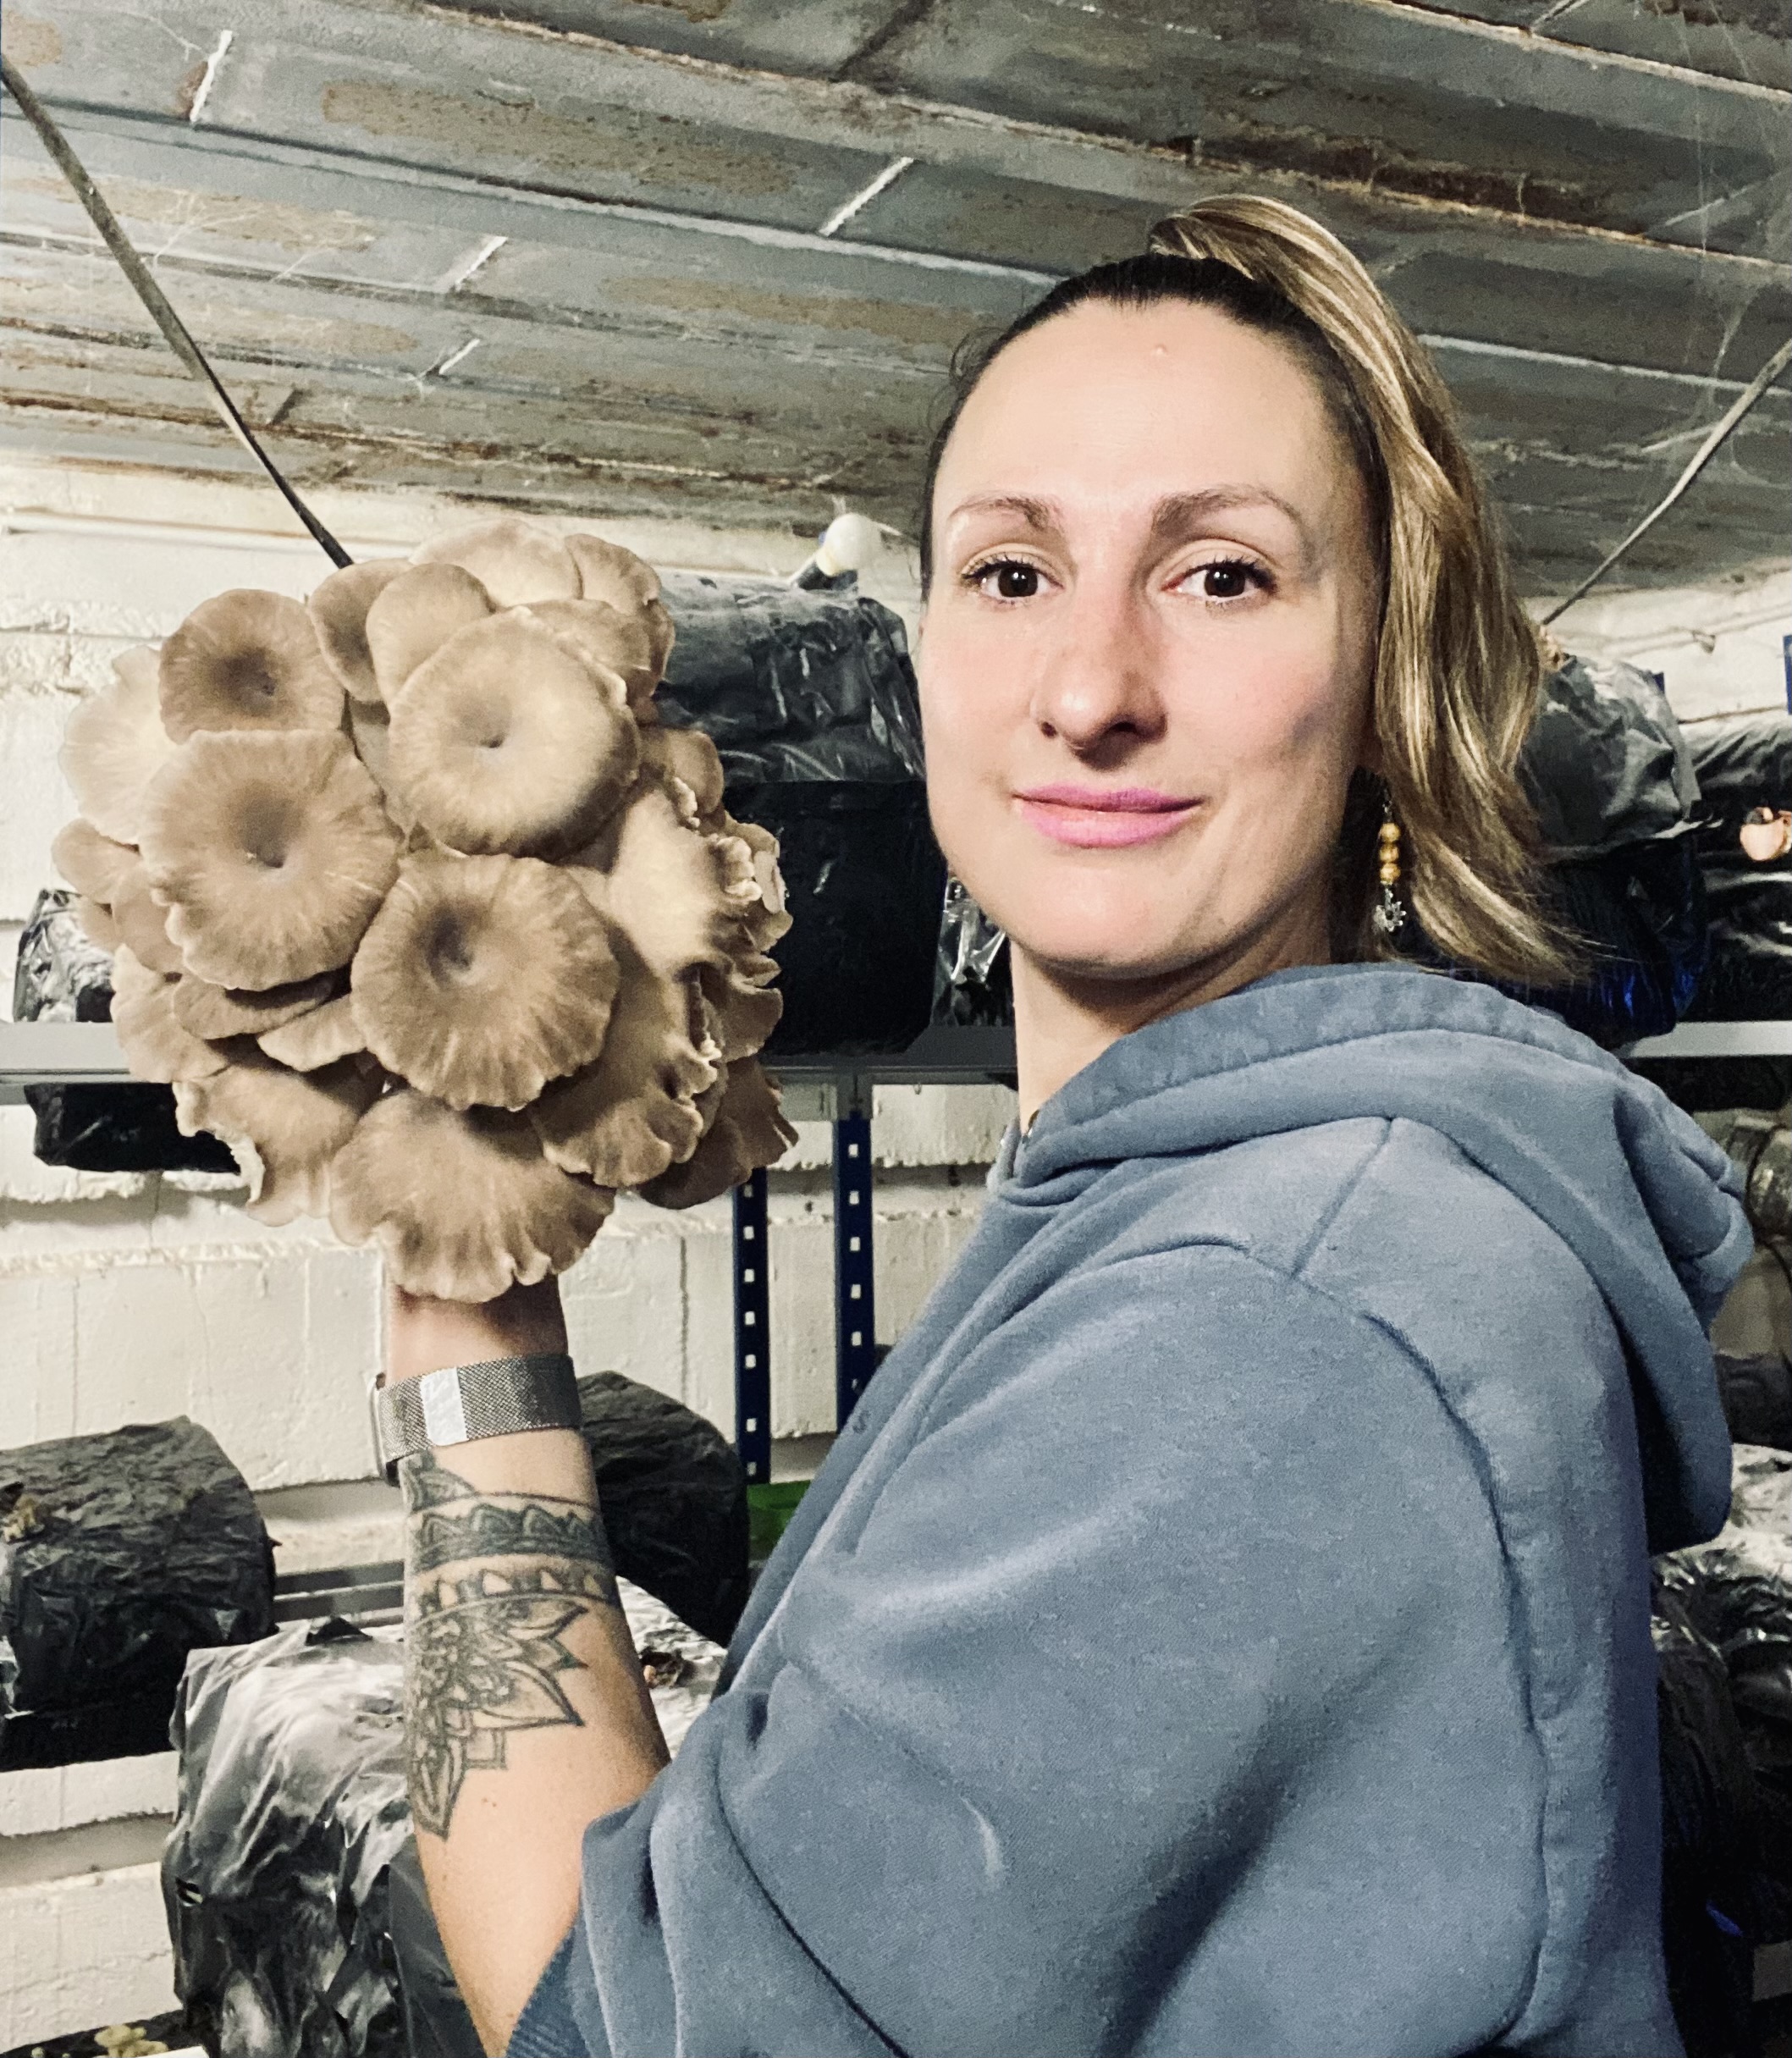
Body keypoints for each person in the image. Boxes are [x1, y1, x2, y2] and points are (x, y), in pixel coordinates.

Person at [379, 196, 1750, 2058]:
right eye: (1014, 572)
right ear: (929, 646)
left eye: (1223, 575)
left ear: (1386, 687)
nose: (1090, 688)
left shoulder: (1279, 1315)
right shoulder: (1207, 1200)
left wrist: (465, 1288)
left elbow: (612, 2033)